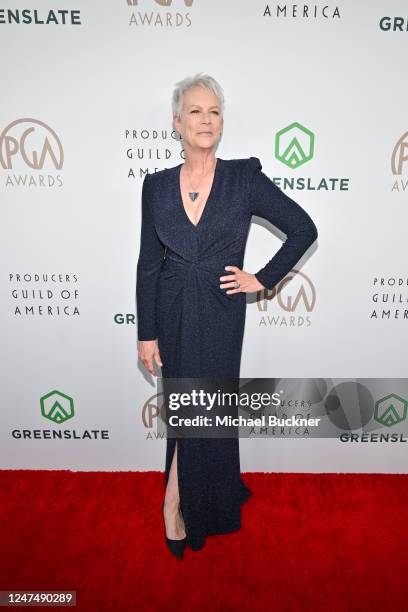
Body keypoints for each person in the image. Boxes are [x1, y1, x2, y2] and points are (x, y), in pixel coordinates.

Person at [136, 73, 318, 558]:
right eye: (195, 111)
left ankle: (184, 498)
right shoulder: (155, 187)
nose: (206, 119)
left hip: (219, 311)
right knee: (184, 409)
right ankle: (184, 497)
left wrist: (262, 277)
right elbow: (148, 264)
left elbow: (303, 228)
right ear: (176, 122)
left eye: (214, 111)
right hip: (171, 311)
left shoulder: (243, 179)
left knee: (207, 408)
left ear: (222, 122)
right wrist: (146, 333)